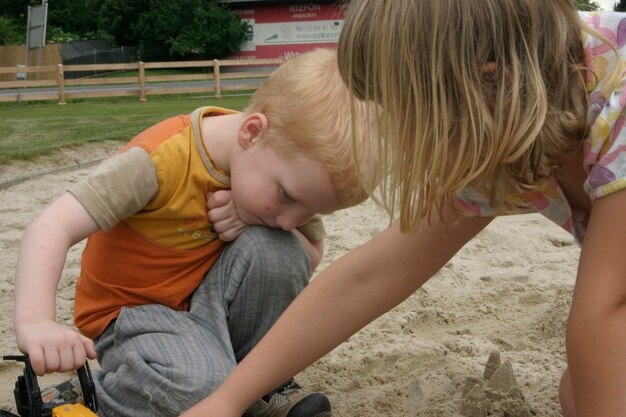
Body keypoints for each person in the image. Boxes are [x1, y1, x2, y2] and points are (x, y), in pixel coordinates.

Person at [179, 2, 626, 417]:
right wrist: (227, 400)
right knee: (579, 390)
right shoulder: (501, 135)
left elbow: (604, 307)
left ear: (483, 82)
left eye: (405, 108)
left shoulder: (617, 87)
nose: (400, 134)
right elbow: (369, 276)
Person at [12, 48, 374, 417]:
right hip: (134, 313)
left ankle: (262, 385)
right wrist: (36, 321)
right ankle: (86, 398)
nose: (288, 220)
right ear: (252, 133)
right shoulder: (161, 160)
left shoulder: (285, 175)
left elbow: (308, 254)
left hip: (206, 304)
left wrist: (250, 219)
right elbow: (51, 226)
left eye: (309, 211)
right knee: (204, 388)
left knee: (279, 249)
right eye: (286, 197)